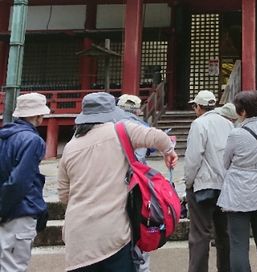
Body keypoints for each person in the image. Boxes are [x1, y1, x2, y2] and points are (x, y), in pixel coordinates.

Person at [58, 92, 178, 272]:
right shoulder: (121, 130)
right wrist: (169, 152)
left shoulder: (70, 147)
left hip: (78, 239)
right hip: (113, 234)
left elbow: (63, 195)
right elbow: (158, 137)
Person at [217, 91, 257, 272]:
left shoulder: (236, 134)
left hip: (239, 190)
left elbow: (226, 161)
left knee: (238, 242)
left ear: (242, 111)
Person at [184, 90, 233, 272]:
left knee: (200, 234)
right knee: (224, 233)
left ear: (198, 106)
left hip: (204, 185)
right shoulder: (228, 123)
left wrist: (188, 182)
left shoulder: (199, 124)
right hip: (225, 185)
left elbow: (193, 158)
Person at [0, 93, 50, 272]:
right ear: (38, 116)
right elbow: (21, 180)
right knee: (13, 266)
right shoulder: (33, 140)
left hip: (7, 207)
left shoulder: (4, 136)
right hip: (20, 209)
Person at [117, 94, 152, 272]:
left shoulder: (109, 126)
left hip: (114, 184)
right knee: (139, 227)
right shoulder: (142, 127)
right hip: (138, 184)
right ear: (138, 111)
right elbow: (150, 149)